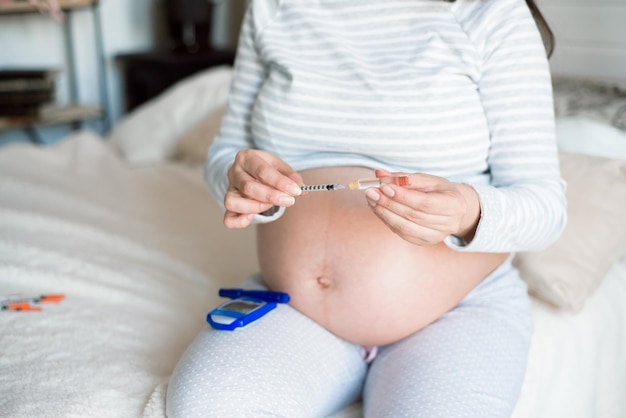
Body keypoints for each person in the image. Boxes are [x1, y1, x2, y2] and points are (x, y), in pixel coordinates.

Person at [166, 0, 566, 416]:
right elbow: (226, 155)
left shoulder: (490, 12)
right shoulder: (274, 8)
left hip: (455, 313)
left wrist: (468, 212)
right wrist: (242, 181)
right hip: (292, 305)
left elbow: (546, 207)